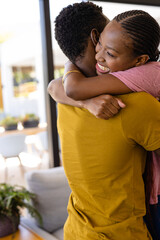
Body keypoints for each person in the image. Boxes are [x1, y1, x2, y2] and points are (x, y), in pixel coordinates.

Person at [48, 3, 160, 240]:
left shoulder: (64, 100)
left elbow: (57, 86)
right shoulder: (136, 105)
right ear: (96, 37)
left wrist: (84, 101)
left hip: (76, 230)